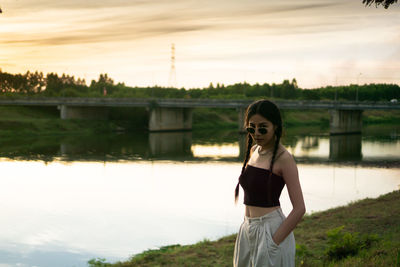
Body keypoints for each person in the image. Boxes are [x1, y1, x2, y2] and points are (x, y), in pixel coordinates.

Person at [233, 99, 306, 267]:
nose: (256, 133)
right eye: (252, 128)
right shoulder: (254, 150)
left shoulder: (284, 159)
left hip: (271, 230)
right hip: (247, 228)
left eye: (263, 127)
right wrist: (247, 227)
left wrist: (274, 241)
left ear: (276, 127)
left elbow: (300, 208)